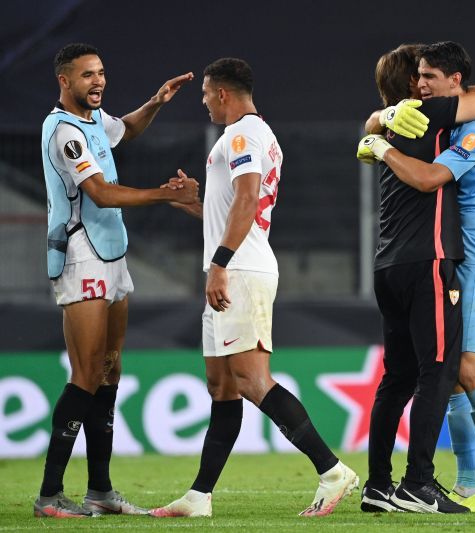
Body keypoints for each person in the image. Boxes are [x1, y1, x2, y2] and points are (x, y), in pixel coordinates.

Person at [150, 57, 357, 518]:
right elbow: (233, 211)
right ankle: (199, 496)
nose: (203, 102)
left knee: (251, 380)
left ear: (222, 92)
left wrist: (220, 264)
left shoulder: (243, 134)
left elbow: (247, 199)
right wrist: (195, 204)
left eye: (205, 94)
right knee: (222, 386)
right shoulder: (252, 135)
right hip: (236, 263)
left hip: (240, 269)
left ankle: (332, 470)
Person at [36, 43, 198, 518]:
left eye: (101, 73)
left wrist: (153, 104)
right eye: (87, 75)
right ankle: (49, 494)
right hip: (81, 256)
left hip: (113, 253)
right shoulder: (64, 131)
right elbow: (101, 194)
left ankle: (100, 491)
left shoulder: (94, 120)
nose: (98, 82)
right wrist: (165, 196)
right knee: (85, 375)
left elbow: (124, 130)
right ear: (64, 81)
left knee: (110, 369)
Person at [359, 41, 475, 512]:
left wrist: (379, 140)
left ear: (454, 82)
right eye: (419, 76)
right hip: (445, 256)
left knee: (465, 371)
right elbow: (384, 117)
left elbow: (432, 177)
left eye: (431, 77)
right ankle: (467, 482)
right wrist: (378, 121)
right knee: (444, 376)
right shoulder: (435, 120)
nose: (423, 84)